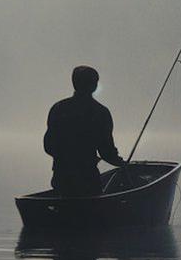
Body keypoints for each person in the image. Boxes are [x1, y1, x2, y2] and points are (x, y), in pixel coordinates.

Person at [44, 65, 127, 195]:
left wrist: (66, 157)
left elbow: (48, 146)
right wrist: (122, 164)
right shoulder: (100, 112)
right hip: (87, 180)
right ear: (94, 85)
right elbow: (107, 152)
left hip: (61, 179)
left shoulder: (58, 108)